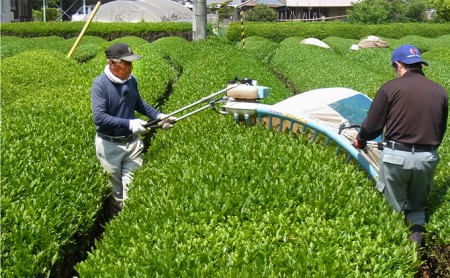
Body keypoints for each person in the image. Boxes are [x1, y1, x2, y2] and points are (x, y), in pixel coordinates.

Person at [354, 44, 448, 247]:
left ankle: (394, 254)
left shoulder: (391, 88)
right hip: (427, 158)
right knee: (417, 208)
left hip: (397, 156)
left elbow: (373, 125)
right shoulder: (440, 91)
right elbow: (440, 130)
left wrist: (361, 140)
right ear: (420, 65)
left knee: (392, 208)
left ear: (398, 65)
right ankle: (416, 242)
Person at [90, 43, 175, 217]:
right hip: (109, 147)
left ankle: (129, 223)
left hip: (132, 145)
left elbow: (138, 104)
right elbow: (99, 117)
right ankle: (114, 229)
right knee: (116, 197)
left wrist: (159, 116)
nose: (131, 67)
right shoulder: (100, 85)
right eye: (126, 63)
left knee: (133, 191)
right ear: (113, 63)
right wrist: (129, 124)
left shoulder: (131, 80)